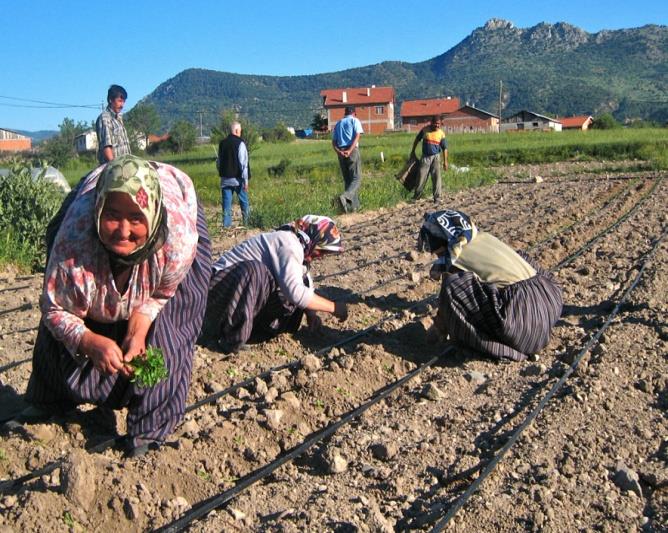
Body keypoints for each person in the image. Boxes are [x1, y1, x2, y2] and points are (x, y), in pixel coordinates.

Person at [17, 155, 211, 457]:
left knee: (176, 318)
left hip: (174, 203)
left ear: (152, 216)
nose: (123, 230)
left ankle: (150, 426)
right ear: (99, 211)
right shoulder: (74, 239)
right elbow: (55, 307)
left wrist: (137, 332)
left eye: (136, 219)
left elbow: (161, 294)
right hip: (90, 200)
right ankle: (49, 397)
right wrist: (89, 340)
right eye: (113, 216)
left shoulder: (179, 242)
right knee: (69, 311)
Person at [418, 209, 563, 361]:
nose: (436, 255)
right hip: (548, 303)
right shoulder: (484, 238)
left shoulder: (456, 255)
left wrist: (439, 330)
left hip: (522, 321)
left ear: (442, 239)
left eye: (435, 249)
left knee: (452, 286)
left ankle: (499, 347)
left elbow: (450, 297)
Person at [201, 215, 348, 354]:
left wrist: (310, 313)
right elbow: (295, 292)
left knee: (290, 286)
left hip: (232, 297)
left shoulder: (298, 248)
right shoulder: (288, 243)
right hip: (213, 295)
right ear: (313, 238)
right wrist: (334, 308)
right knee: (256, 272)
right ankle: (229, 339)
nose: (321, 257)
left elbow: (303, 282)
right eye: (321, 251)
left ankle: (257, 334)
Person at [217, 121, 250, 228]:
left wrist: (222, 173)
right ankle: (247, 223)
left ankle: (226, 226)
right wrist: (245, 181)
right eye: (240, 131)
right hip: (238, 180)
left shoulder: (222, 143)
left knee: (226, 204)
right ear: (236, 131)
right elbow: (243, 163)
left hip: (225, 180)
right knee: (244, 202)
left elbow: (218, 162)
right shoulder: (241, 143)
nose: (240, 133)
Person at [331, 106, 364, 213]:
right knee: (356, 178)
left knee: (348, 180)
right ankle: (345, 197)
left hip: (340, 151)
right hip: (352, 150)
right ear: (354, 113)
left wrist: (339, 152)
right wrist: (350, 150)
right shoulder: (355, 120)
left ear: (345, 113)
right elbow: (357, 136)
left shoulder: (338, 123)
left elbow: (334, 142)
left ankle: (352, 207)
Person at [409, 115, 448, 203]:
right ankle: (416, 196)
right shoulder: (425, 130)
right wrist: (413, 151)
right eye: (436, 124)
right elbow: (417, 140)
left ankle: (437, 197)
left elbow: (445, 148)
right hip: (425, 157)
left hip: (436, 157)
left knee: (436, 177)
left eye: (439, 124)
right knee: (421, 177)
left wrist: (445, 162)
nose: (437, 125)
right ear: (432, 123)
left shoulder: (441, 133)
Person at [96, 84, 131, 165]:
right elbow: (106, 147)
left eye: (123, 102)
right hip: (114, 169)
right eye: (119, 101)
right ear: (110, 100)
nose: (122, 105)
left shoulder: (118, 118)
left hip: (125, 166)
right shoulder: (105, 118)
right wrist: (115, 168)